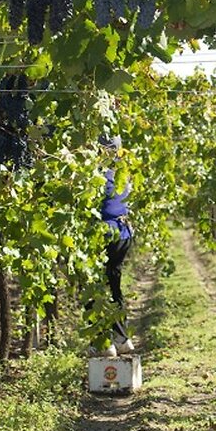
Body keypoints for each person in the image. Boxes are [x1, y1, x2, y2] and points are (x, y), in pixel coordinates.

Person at [94, 133, 136, 356]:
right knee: (113, 283)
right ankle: (121, 339)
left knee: (94, 287)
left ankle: (103, 343)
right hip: (124, 233)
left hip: (105, 234)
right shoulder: (122, 173)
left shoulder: (96, 175)